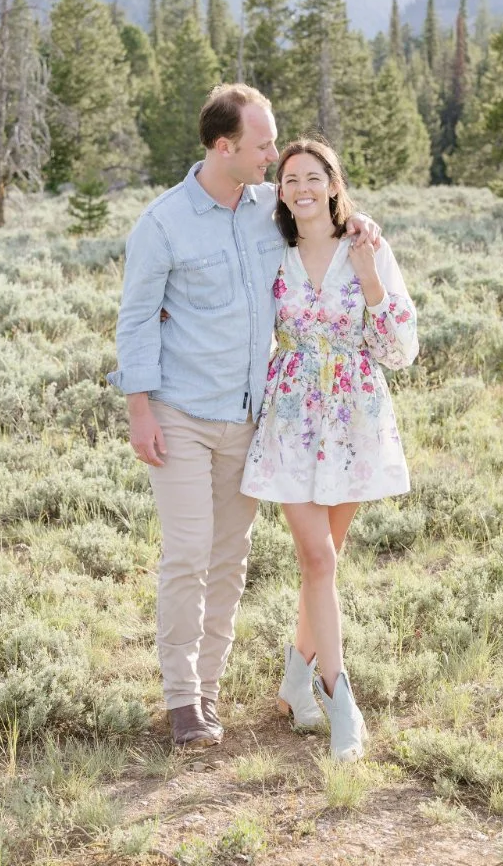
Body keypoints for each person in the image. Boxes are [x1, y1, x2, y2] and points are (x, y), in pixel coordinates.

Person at [107, 85, 381, 748]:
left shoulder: (268, 209)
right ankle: (183, 700)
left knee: (230, 559)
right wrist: (139, 409)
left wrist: (362, 228)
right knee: (189, 553)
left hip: (251, 418)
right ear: (224, 146)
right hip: (179, 413)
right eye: (262, 144)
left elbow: (321, 216)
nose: (272, 153)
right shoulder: (165, 221)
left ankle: (208, 690)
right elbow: (137, 317)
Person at [241, 139, 418, 761]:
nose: (302, 188)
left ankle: (294, 682)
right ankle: (340, 697)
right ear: (281, 191)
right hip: (290, 421)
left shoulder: (368, 247)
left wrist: (370, 280)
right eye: (290, 179)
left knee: (327, 561)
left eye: (314, 177)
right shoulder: (272, 252)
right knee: (318, 559)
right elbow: (243, 325)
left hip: (353, 420)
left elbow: (400, 351)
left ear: (335, 185)